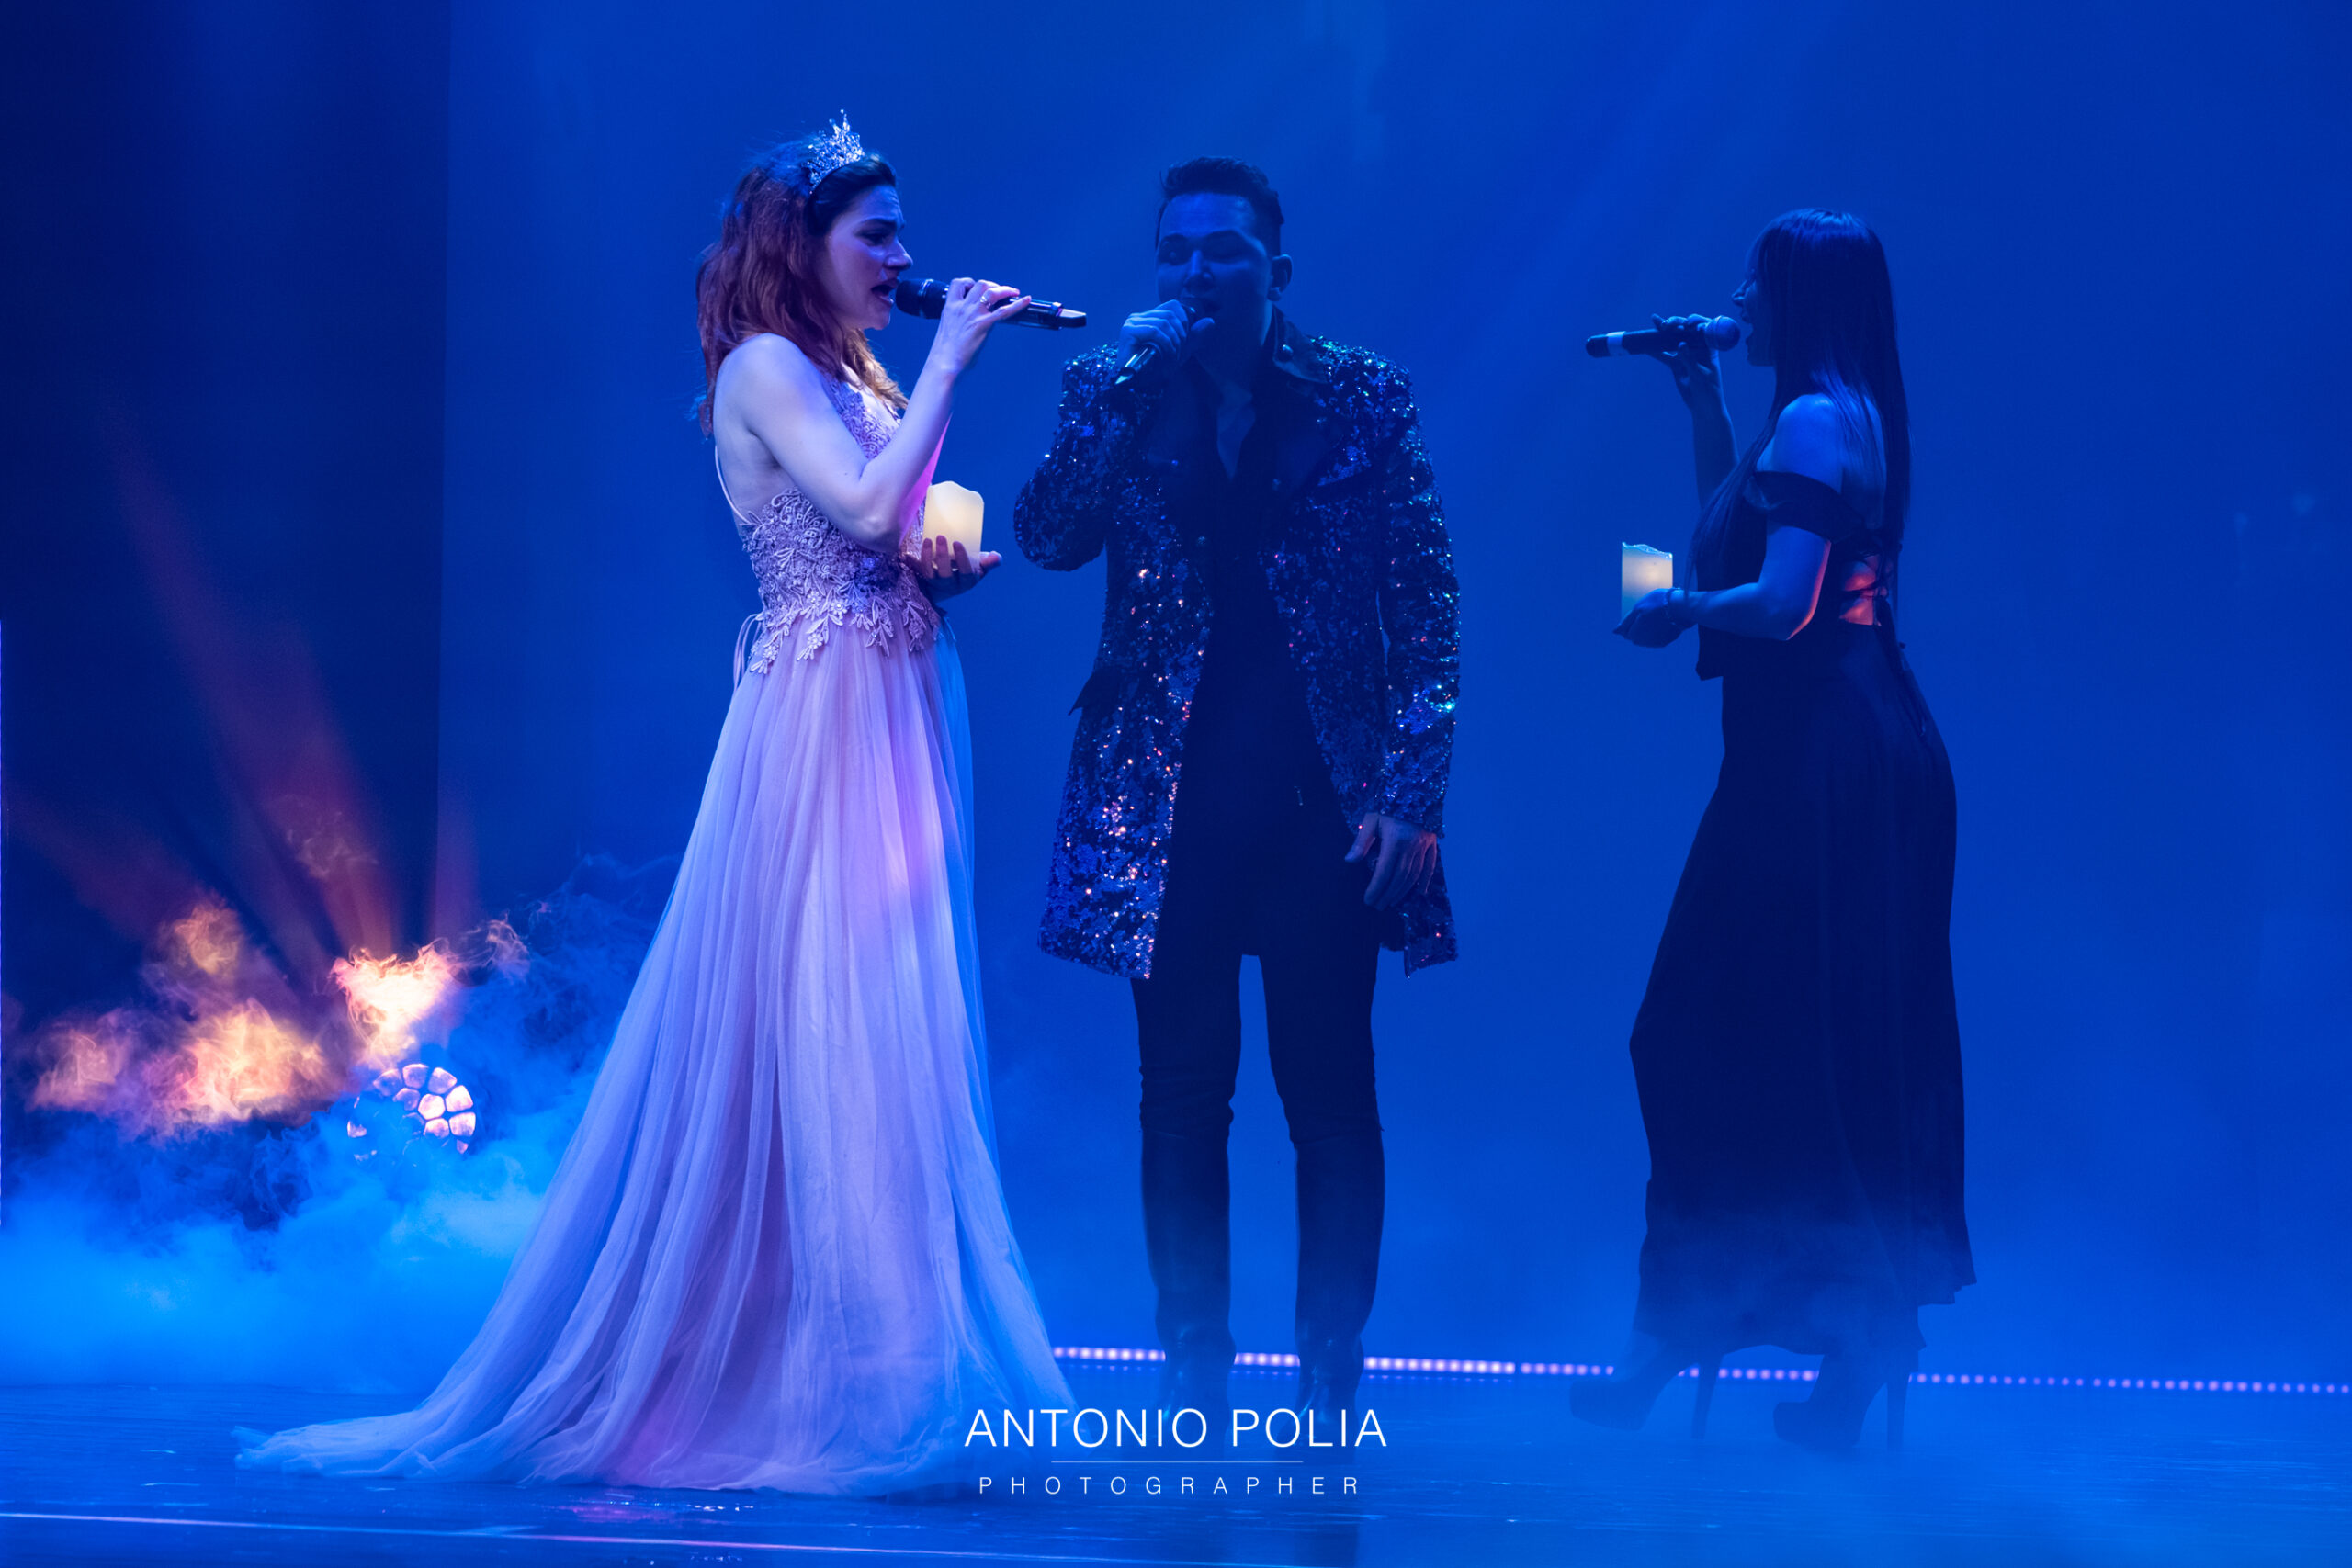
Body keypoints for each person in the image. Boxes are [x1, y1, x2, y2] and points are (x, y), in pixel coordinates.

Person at [241, 119, 1069, 1493]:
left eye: (903, 235)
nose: (903, 258)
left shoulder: (848, 369)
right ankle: (811, 1374)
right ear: (803, 244)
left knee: (884, 1015)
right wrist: (951, 365)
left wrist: (941, 566)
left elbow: (888, 537)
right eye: (877, 235)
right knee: (824, 1010)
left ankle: (878, 1357)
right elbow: (865, 514)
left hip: (887, 696)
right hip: (820, 717)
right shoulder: (764, 365)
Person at [1013, 158, 1459, 1432]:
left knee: (1330, 1098)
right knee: (1179, 1096)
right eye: (1176, 251)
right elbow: (1047, 536)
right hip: (1166, 804)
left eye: (1224, 251)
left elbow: (1426, 607)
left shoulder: (1362, 395)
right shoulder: (1116, 384)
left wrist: (1412, 793)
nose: (1196, 271)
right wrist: (1115, 391)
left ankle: (1328, 1369)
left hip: (1326, 801)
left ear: (1277, 271)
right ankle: (1192, 1366)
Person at [1578, 209, 1973, 1450]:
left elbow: (1785, 604)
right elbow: (1731, 527)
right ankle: (1822, 1341)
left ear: (1797, 295)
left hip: (1824, 762)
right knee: (1813, 1040)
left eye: (1756, 281)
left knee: (1703, 1030)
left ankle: (1696, 1329)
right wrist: (1701, 400)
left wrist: (1678, 612)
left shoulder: (1813, 420)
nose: (1737, 297)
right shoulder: (1828, 415)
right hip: (1837, 752)